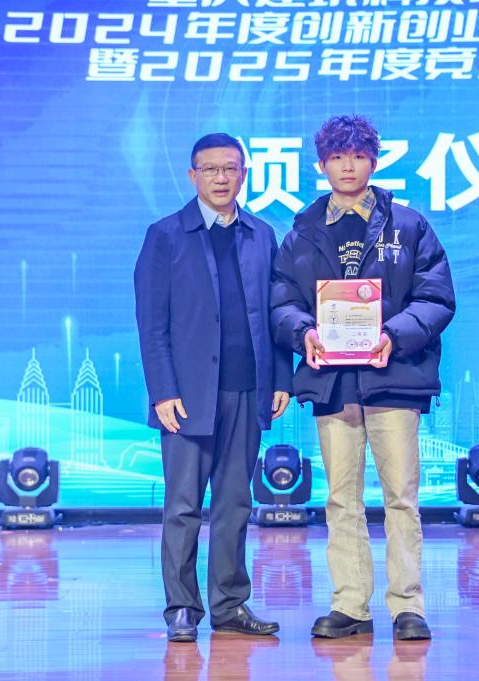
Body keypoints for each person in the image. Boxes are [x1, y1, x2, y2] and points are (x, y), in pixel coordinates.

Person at [271, 115, 455, 640]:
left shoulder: (409, 225)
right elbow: (281, 299)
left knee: (401, 496)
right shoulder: (302, 231)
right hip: (333, 381)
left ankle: (407, 606)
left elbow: (436, 297)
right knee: (341, 498)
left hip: (393, 376)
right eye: (337, 157)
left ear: (374, 161)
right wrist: (304, 331)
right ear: (321, 165)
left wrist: (394, 335)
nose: (347, 166)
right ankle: (350, 604)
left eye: (357, 156)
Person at [135, 132, 292, 643]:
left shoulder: (261, 235)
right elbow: (151, 324)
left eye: (230, 169)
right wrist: (163, 390)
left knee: (235, 503)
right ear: (192, 176)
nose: (221, 178)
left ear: (244, 174)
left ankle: (230, 604)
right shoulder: (166, 235)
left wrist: (281, 378)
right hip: (187, 395)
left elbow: (277, 314)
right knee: (183, 506)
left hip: (247, 389)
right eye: (210, 169)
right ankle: (182, 607)